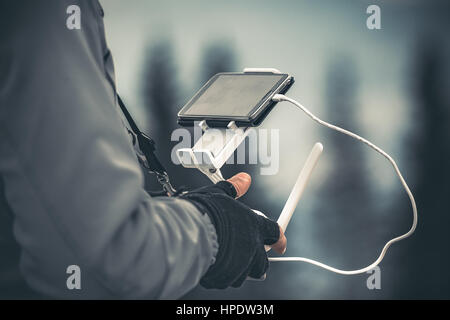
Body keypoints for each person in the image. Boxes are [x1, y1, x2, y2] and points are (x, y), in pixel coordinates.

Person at [0, 0, 286, 299]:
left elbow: (43, 200)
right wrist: (214, 228)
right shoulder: (44, 13)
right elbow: (111, 258)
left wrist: (166, 215)